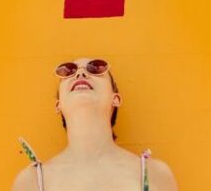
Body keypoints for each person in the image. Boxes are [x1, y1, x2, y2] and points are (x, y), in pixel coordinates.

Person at [12, 58, 178, 191]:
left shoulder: (155, 173)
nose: (81, 73)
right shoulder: (30, 181)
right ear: (58, 104)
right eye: (68, 71)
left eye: (96, 68)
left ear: (116, 98)